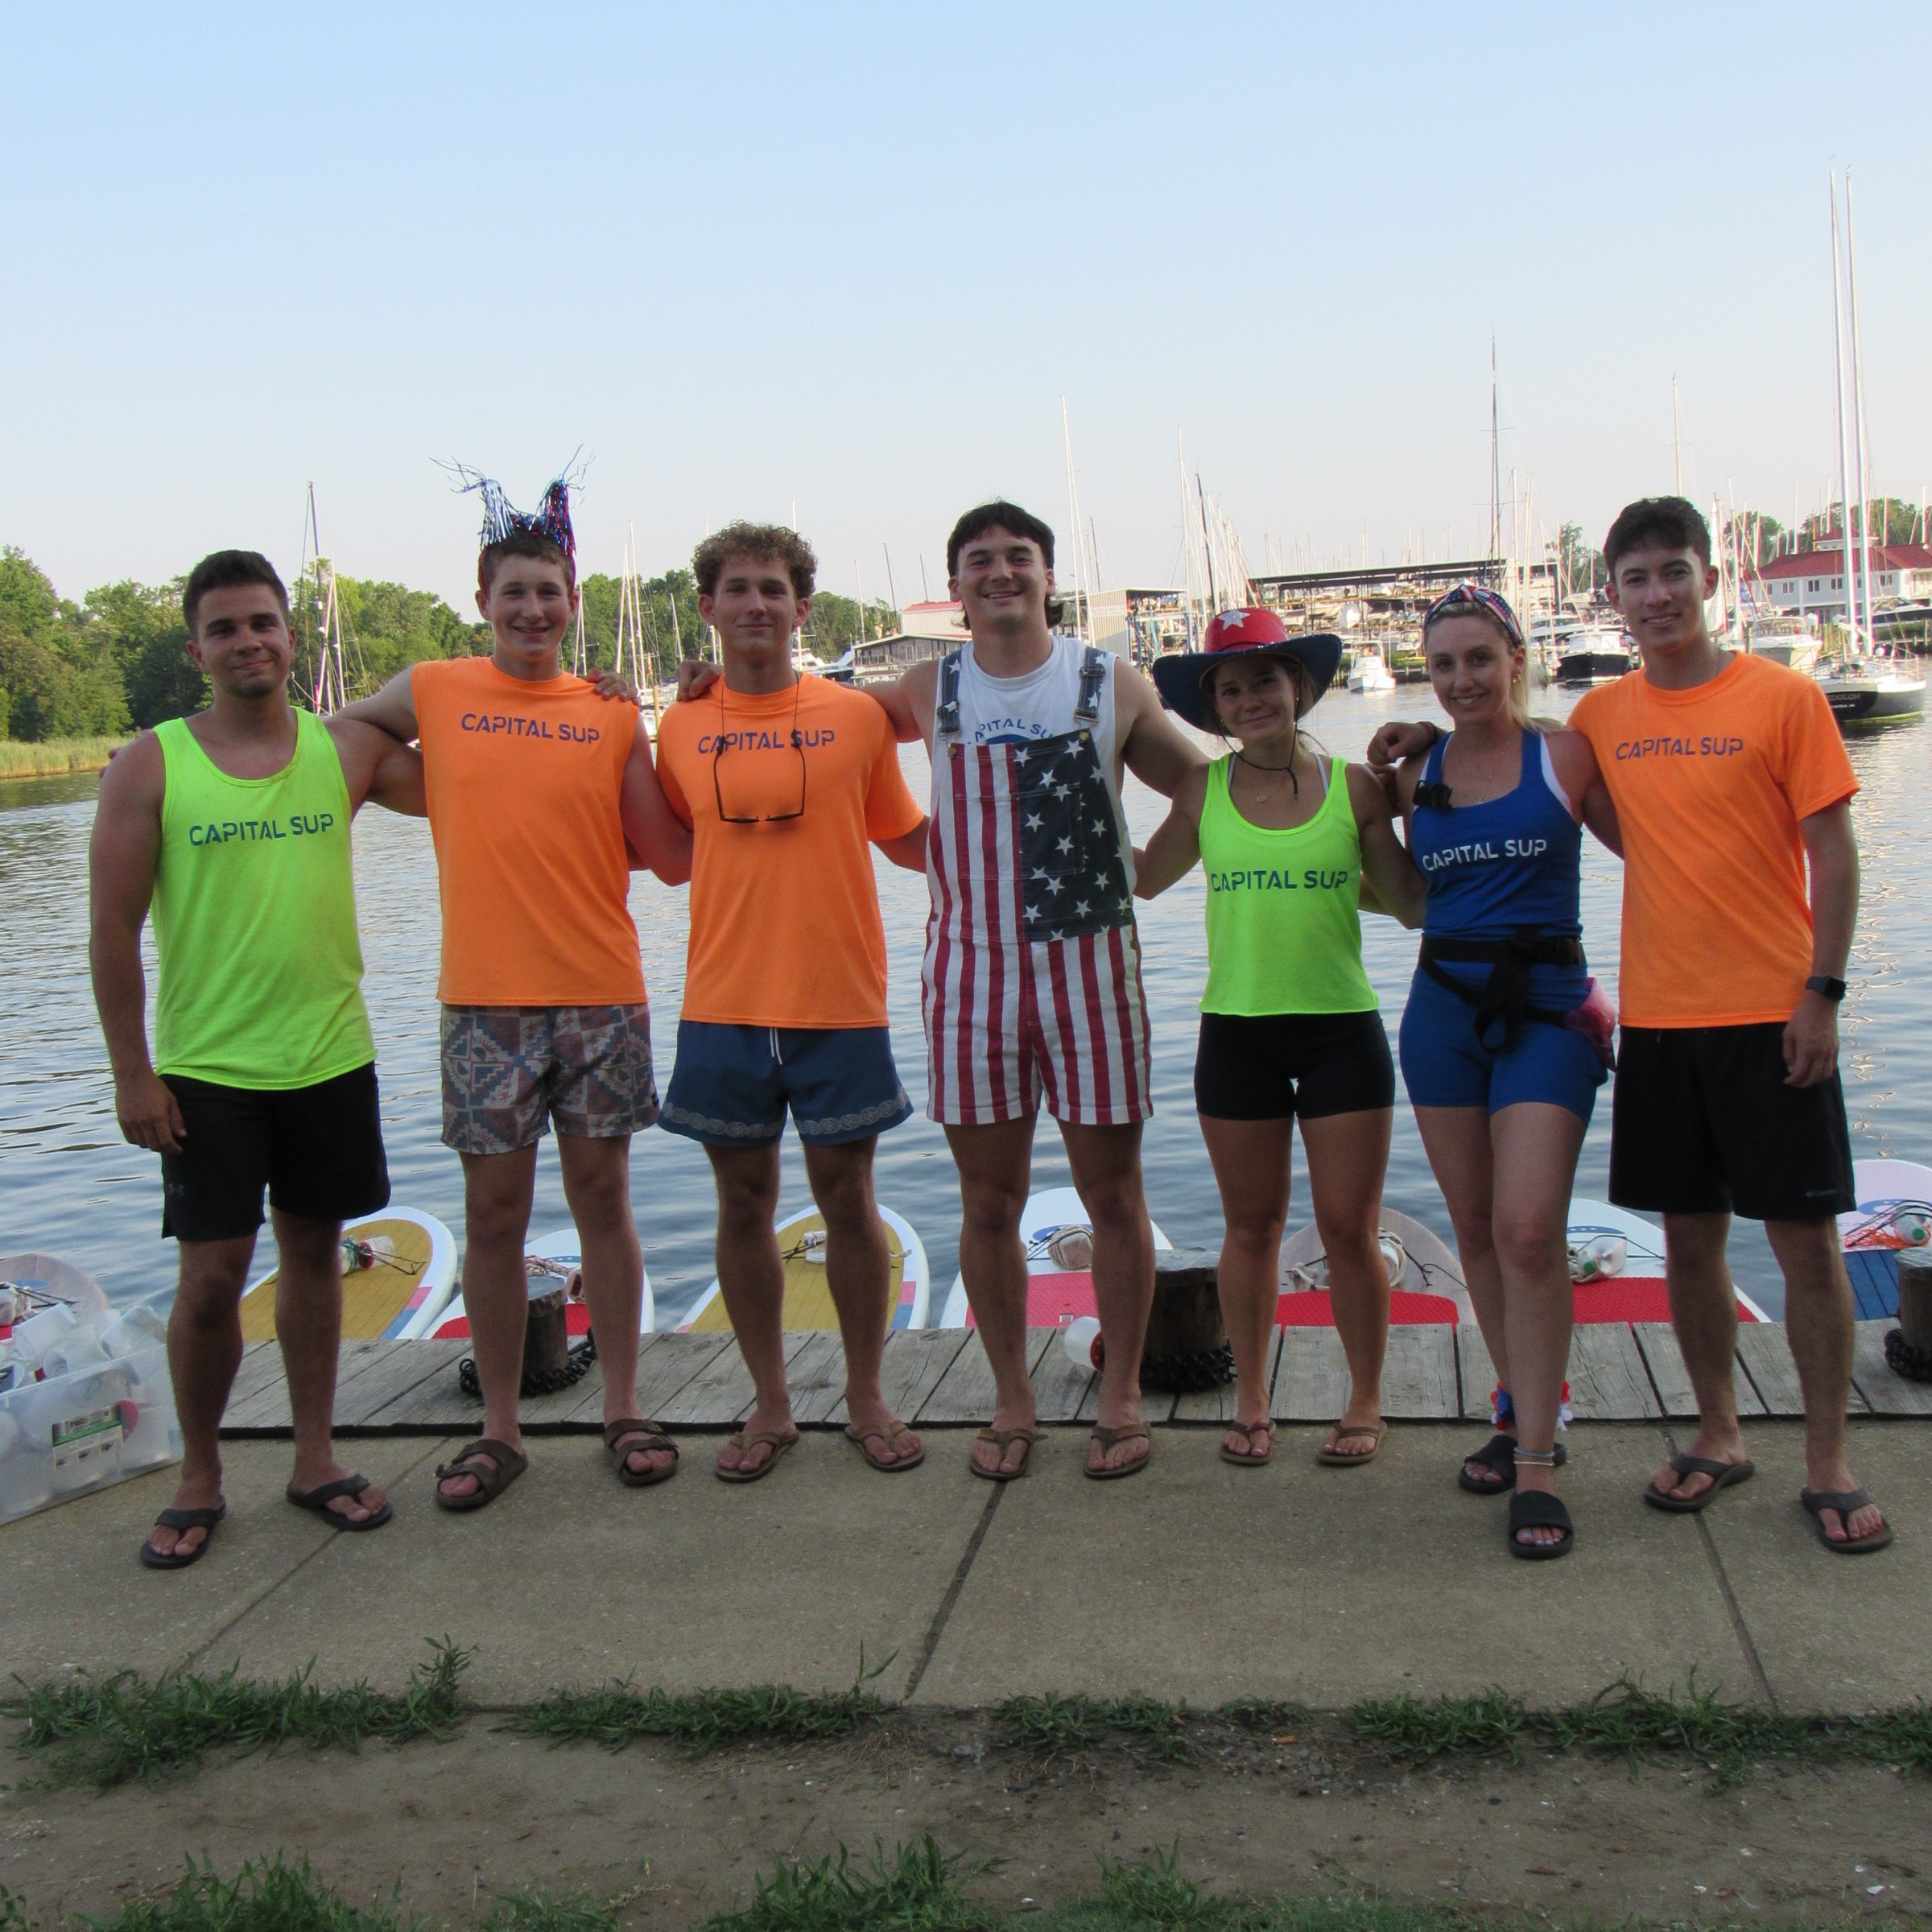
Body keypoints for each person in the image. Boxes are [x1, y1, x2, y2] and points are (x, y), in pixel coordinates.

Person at [1373, 497, 1889, 1555]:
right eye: (1637, 581)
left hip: (1771, 1009)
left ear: (1710, 579)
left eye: (1673, 574)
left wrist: (1823, 993)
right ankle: (1714, 1434)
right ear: (1612, 597)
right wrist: (1421, 745)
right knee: (1689, 1241)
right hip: (1654, 1018)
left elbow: (1831, 853)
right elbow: (1485, 816)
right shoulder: (1597, 722)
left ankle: (1828, 1463)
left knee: (1800, 1242)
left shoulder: (1778, 698)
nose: (1656, 597)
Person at [683, 502, 1203, 1478]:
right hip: (970, 980)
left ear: (1049, 575)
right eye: (979, 562)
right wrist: (713, 687)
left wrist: (1144, 872)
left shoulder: (1109, 679)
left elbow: (1205, 790)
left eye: (1018, 558)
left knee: (1114, 1196)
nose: (1000, 573)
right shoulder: (925, 688)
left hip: (1093, 975)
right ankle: (1012, 1402)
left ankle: (1123, 1398)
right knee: (988, 1202)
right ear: (956, 589)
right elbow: (797, 713)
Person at [339, 467, 692, 1511]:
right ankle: (500, 1429)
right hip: (483, 1000)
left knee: (604, 1207)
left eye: (550, 593)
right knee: (493, 1219)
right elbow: (349, 738)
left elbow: (668, 854)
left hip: (599, 991)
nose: (533, 610)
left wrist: (702, 739)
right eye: (514, 594)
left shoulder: (609, 711)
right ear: (483, 601)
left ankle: (622, 1404)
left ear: (573, 603)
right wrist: (420, 796)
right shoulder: (437, 689)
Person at [90, 550, 426, 1568]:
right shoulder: (153, 763)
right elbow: (109, 935)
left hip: (330, 1054)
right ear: (197, 649)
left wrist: (587, 702)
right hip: (206, 1069)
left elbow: (482, 757)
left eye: (264, 623)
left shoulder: (344, 750)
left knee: (316, 1260)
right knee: (211, 1277)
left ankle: (314, 1458)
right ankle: (201, 1474)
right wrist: (132, 1074)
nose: (248, 642)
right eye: (226, 628)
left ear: (292, 637)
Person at [654, 524, 930, 1481]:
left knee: (849, 1201)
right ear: (709, 608)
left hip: (839, 998)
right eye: (737, 589)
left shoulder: (854, 716)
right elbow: (672, 846)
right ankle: (770, 1405)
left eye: (774, 589)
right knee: (742, 1206)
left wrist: (1006, 846)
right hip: (723, 1000)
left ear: (802, 607)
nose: (756, 605)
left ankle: (866, 1394)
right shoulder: (679, 723)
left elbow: (904, 839)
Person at [1135, 608, 1424, 1472]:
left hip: (1342, 1033)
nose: (1252, 697)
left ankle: (1363, 1399)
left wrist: (1426, 780)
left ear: (1297, 686)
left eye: (1266, 679)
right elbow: (1144, 881)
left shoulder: (1355, 788)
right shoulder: (1202, 792)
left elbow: (1414, 904)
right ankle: (1253, 1400)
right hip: (1236, 1034)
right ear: (1214, 708)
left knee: (1348, 1231)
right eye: (1232, 687)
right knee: (1250, 1229)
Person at [1387, 584, 1620, 1559]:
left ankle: (1537, 1459)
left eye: (1479, 659)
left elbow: (1660, 851)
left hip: (1548, 1010)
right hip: (1441, 1010)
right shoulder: (1413, 771)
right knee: (1477, 1228)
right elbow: (1404, 902)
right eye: (1443, 664)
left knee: (1529, 1229)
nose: (1461, 680)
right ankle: (1520, 1402)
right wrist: (1366, 807)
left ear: (1515, 658)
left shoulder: (1563, 754)